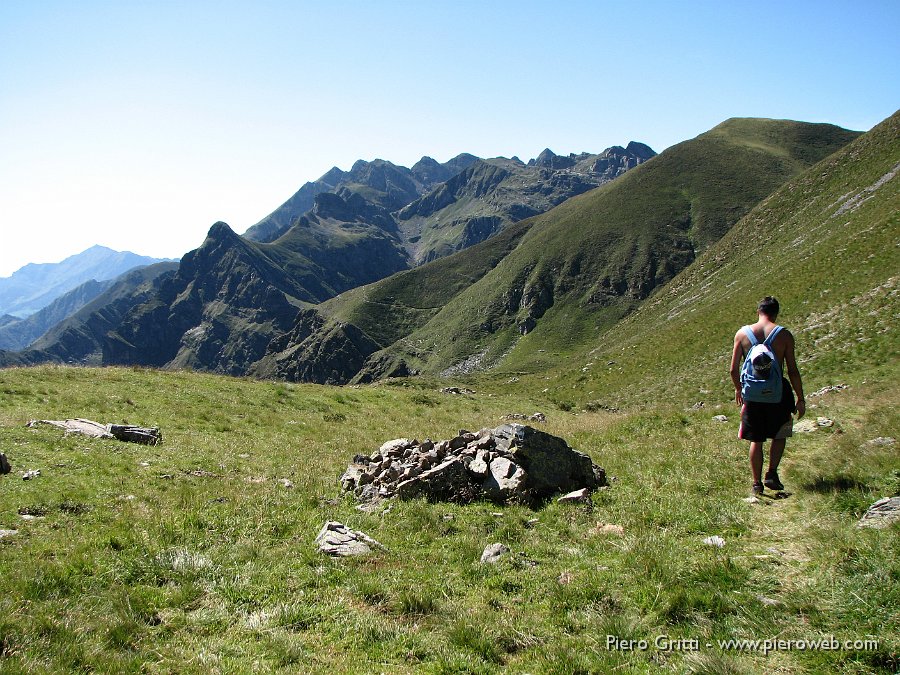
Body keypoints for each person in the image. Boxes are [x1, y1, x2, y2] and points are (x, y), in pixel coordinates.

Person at [729, 296, 806, 495]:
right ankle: (771, 473)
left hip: (752, 395)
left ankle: (756, 483)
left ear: (759, 312)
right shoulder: (784, 335)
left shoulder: (742, 334)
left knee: (756, 439)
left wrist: (739, 389)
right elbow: (792, 370)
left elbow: (733, 370)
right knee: (779, 433)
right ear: (776, 313)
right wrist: (800, 397)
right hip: (778, 394)